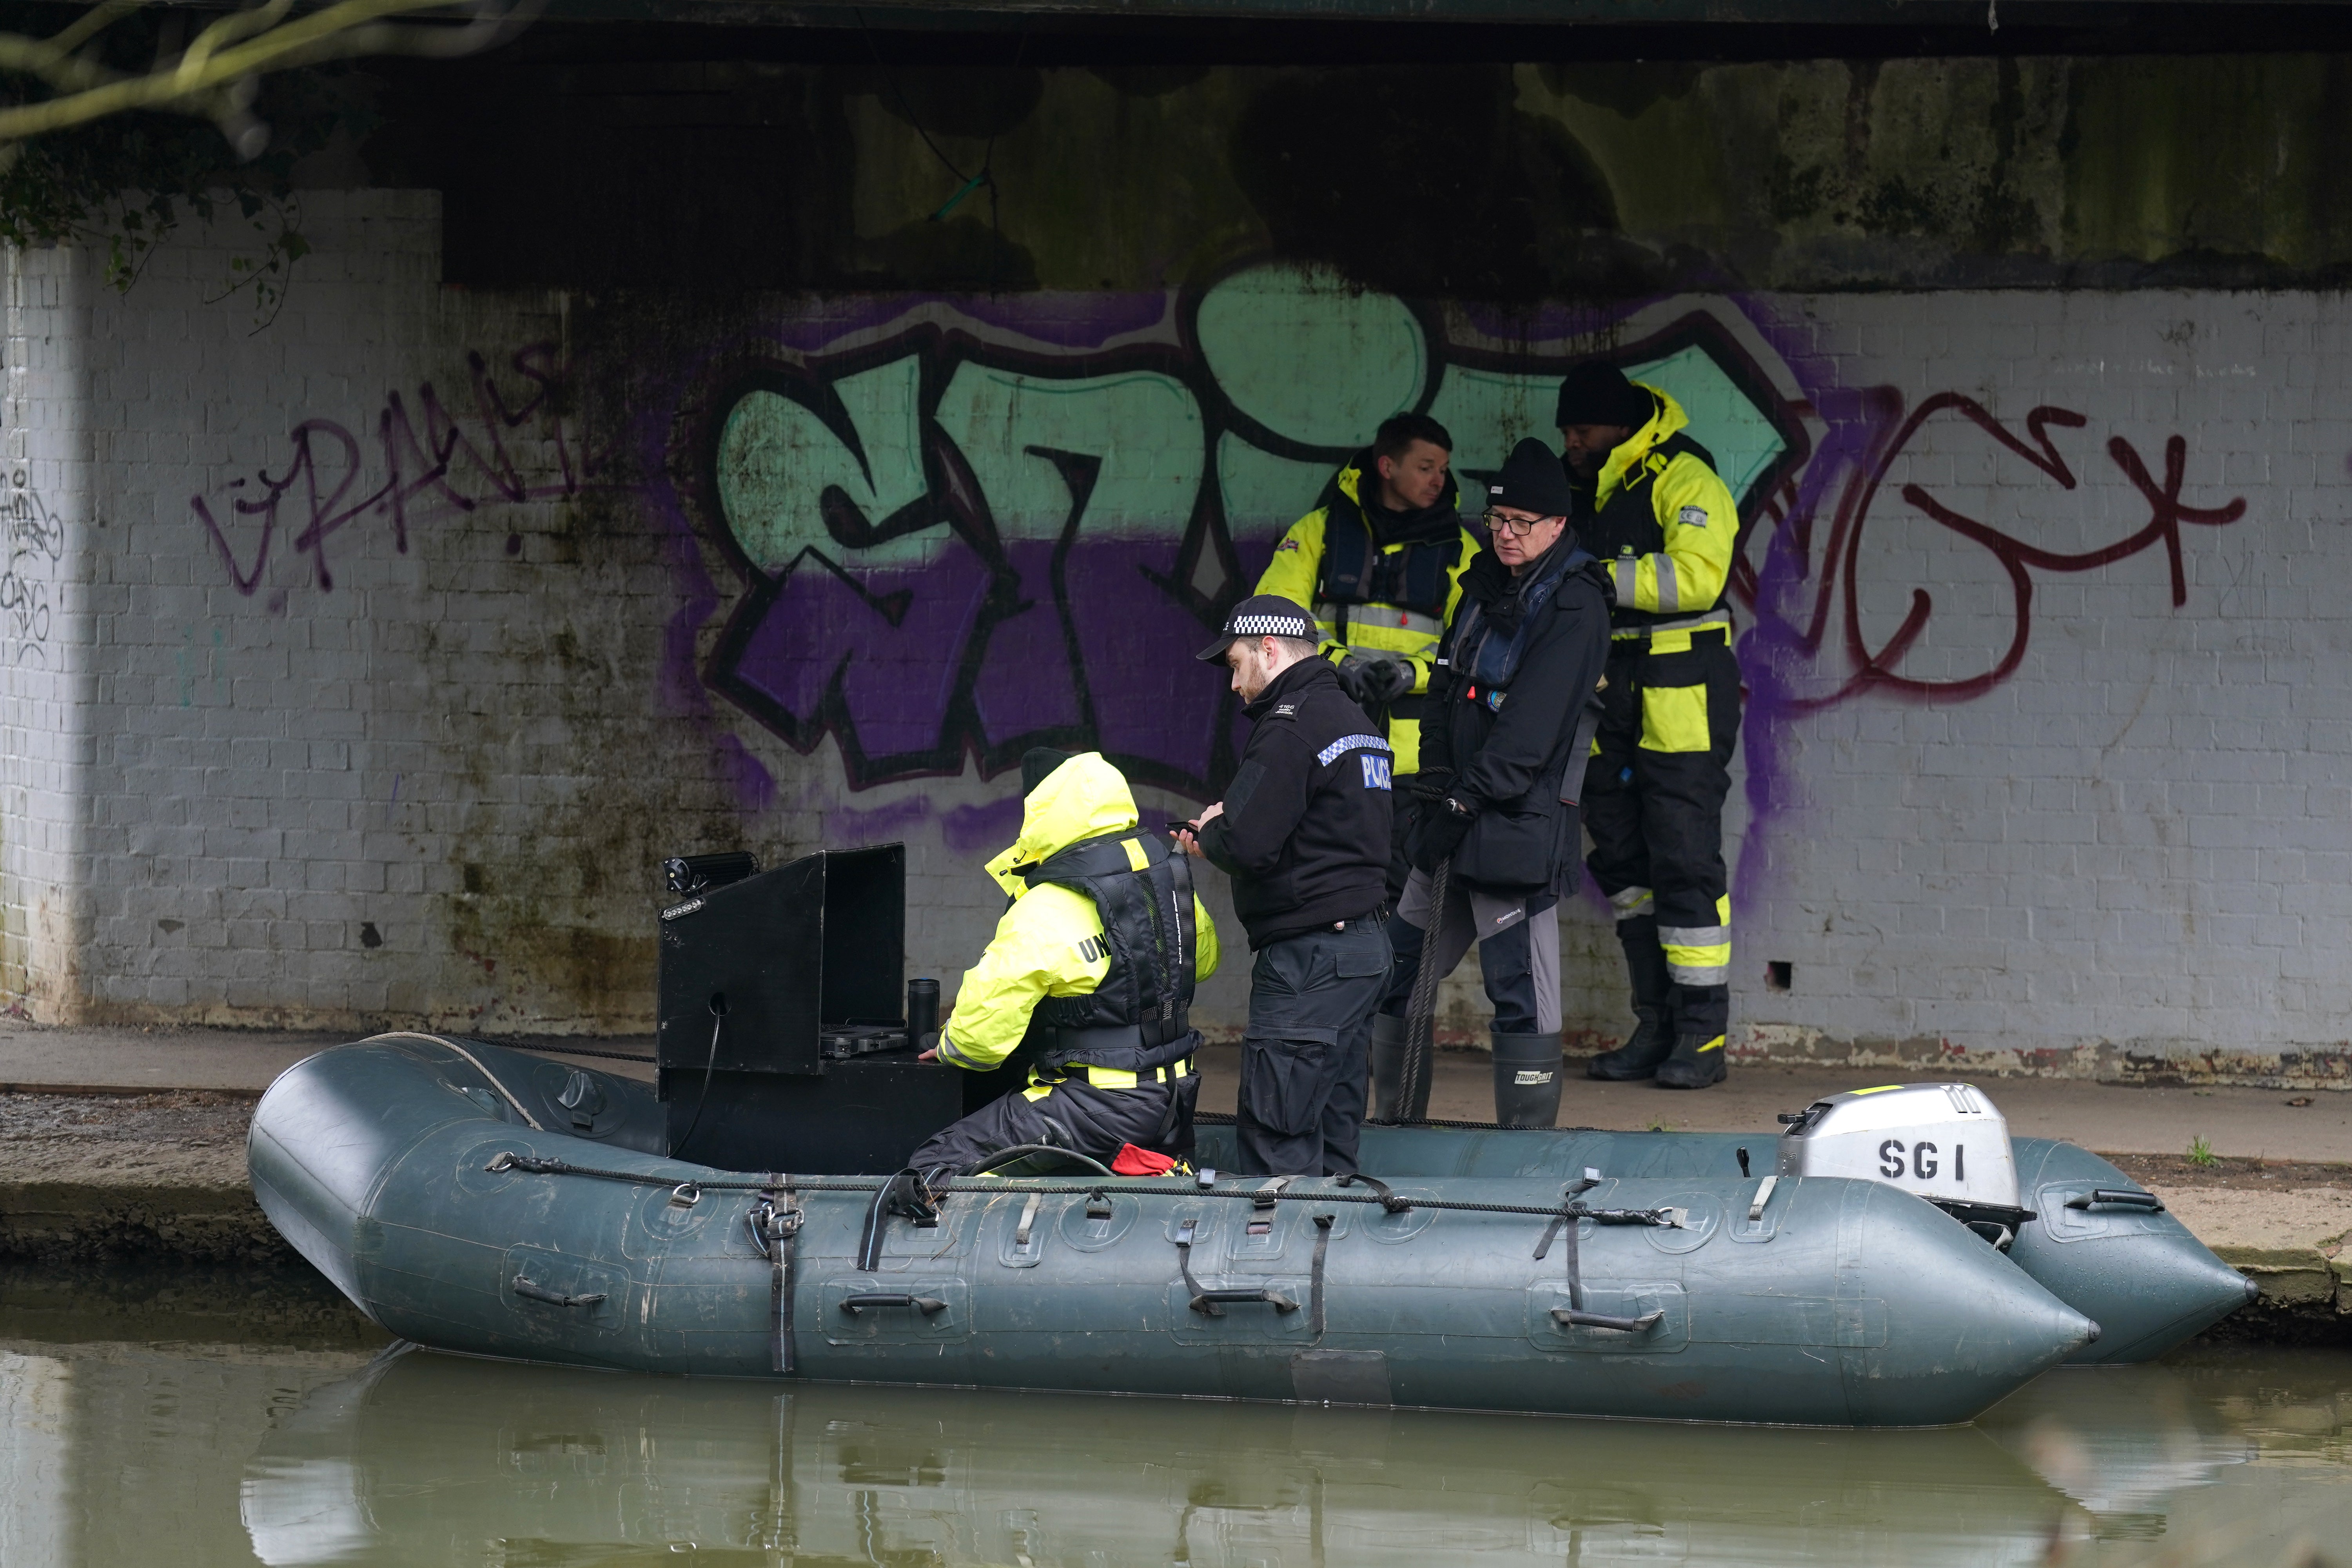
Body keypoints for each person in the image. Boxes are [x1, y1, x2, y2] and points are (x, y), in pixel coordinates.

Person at [1371, 438, 1611, 1128]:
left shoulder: (1576, 604)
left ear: (1559, 526)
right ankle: (1393, 1124)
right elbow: (1446, 688)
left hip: (1516, 832)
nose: (1506, 535)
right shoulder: (1481, 588)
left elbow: (1532, 731)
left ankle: (1524, 1150)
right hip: (1451, 820)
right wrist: (1439, 784)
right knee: (1397, 971)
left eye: (1523, 524)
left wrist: (1464, 799)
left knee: (1520, 994)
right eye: (1498, 520)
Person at [1554, 361, 1742, 1091]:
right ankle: (1656, 1024)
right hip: (1609, 691)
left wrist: (1594, 575)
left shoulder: (1682, 476)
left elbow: (1697, 577)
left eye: (1584, 429)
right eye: (1568, 431)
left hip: (1682, 685)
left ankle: (1702, 1035)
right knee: (1626, 865)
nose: (1573, 442)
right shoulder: (1581, 484)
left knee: (1685, 858)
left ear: (1621, 426)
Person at [907, 748, 1220, 1174]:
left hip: (1094, 1107)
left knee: (935, 1164)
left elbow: (979, 1042)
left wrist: (949, 1045)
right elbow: (1202, 962)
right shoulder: (1166, 879)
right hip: (1175, 1095)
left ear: (1045, 818)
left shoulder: (1047, 904)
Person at [1178, 594, 1393, 1176]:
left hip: (1309, 961)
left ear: (1268, 650)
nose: (1234, 685)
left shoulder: (1291, 727)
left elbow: (1248, 843)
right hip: (1363, 951)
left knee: (1280, 1138)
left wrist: (1212, 830)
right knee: (1333, 1133)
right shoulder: (1359, 724)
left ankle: (1270, 1267)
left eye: (1236, 664)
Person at [1254, 413, 1483, 903]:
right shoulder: (1319, 531)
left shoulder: (1461, 549)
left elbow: (1474, 639)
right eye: (1426, 467)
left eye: (1443, 469)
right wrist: (1340, 663)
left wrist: (1413, 672)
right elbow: (1274, 618)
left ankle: (1398, 985)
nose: (1438, 481)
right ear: (1386, 466)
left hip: (1413, 759)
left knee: (1403, 897)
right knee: (1324, 884)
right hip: (1326, 745)